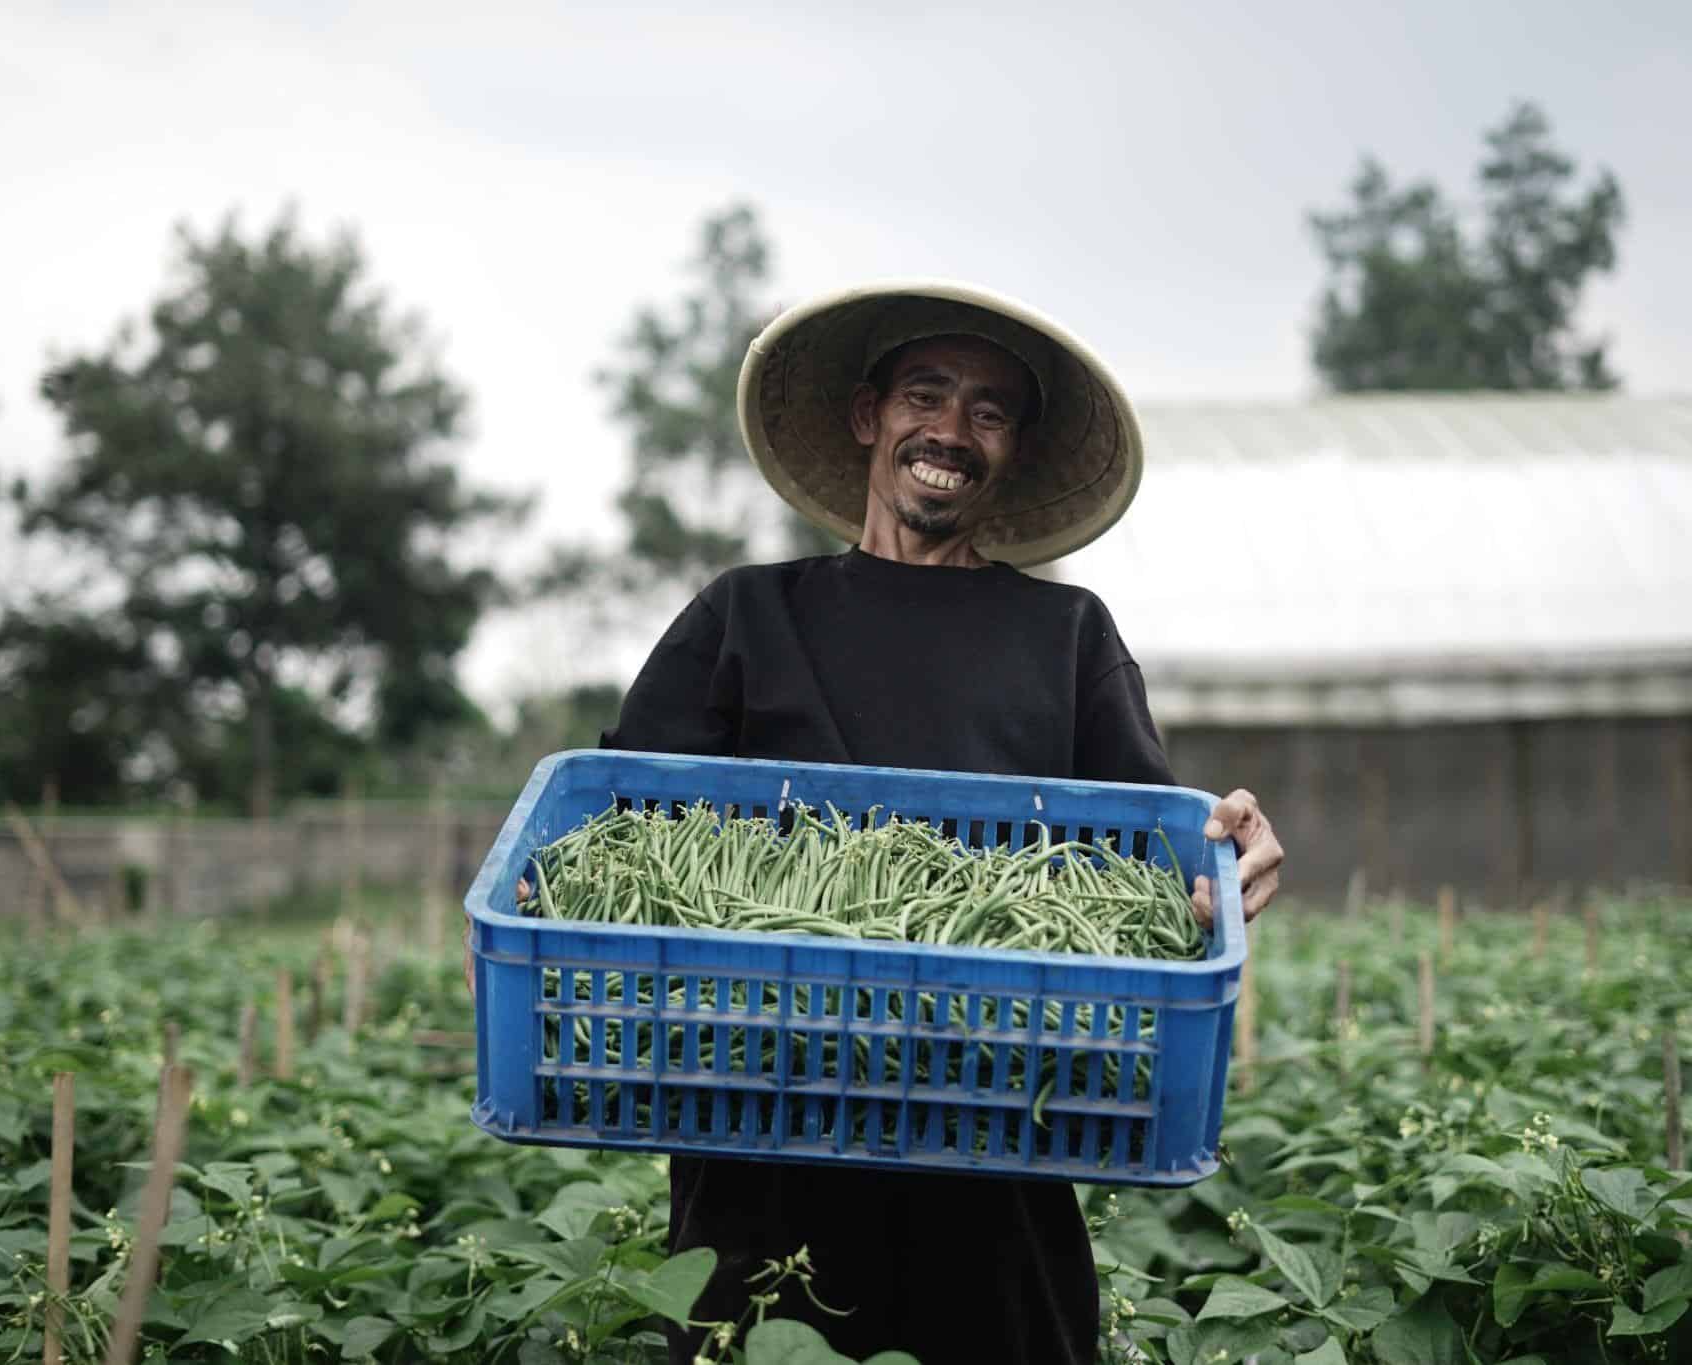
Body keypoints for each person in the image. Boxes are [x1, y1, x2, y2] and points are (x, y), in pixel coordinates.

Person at [538, 282, 1281, 1363]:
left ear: (1013, 451)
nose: (950, 431)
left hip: (996, 1179)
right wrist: (545, 880)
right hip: (760, 1169)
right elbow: (608, 835)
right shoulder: (745, 616)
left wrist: (1226, 853)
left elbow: (1150, 869)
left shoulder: (1065, 635)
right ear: (866, 418)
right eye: (924, 395)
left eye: (988, 411)